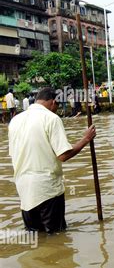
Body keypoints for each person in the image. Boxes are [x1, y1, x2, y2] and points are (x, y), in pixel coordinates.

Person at [8, 87, 96, 233]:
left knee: (35, 239)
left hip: (24, 191)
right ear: (53, 102)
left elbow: (14, 154)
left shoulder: (15, 120)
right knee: (56, 236)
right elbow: (63, 155)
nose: (57, 110)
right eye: (58, 106)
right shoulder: (51, 118)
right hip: (47, 190)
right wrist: (85, 139)